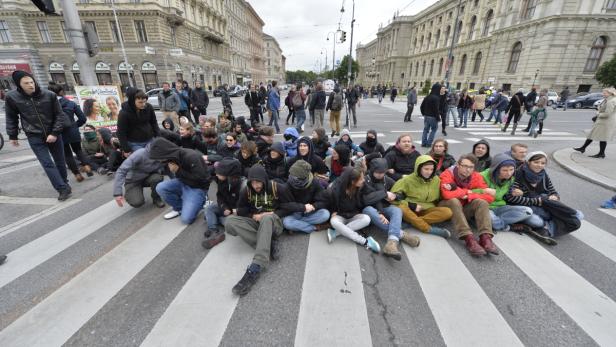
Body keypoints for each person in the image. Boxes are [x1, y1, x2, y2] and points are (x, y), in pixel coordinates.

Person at [5, 70, 72, 200]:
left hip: (54, 132)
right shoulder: (12, 97)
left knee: (60, 161)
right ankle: (62, 188)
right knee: (47, 163)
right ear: (19, 84)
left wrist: (54, 133)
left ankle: (64, 182)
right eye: (26, 83)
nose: (31, 85)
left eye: (31, 81)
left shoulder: (49, 95)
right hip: (34, 134)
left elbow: (59, 115)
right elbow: (11, 117)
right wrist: (12, 135)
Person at [225, 164, 284, 296]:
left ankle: (256, 266)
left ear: (264, 179)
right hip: (256, 222)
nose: (256, 185)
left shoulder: (276, 187)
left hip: (274, 222)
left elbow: (288, 207)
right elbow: (241, 210)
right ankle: (268, 243)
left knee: (267, 219)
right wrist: (252, 216)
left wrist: (268, 214)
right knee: (229, 222)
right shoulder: (247, 190)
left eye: (259, 182)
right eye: (253, 182)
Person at [507, 152, 583, 244]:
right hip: (526, 206)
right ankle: (553, 223)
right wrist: (537, 201)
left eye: (543, 163)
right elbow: (511, 199)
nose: (539, 165)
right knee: (537, 221)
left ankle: (546, 229)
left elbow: (553, 191)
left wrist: (555, 196)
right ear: (528, 162)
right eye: (536, 162)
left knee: (579, 215)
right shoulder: (517, 174)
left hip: (545, 205)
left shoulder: (543, 175)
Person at [438, 154, 498, 256]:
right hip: (446, 207)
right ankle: (468, 238)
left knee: (481, 202)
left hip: (463, 209)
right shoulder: (447, 174)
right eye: (465, 166)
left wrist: (470, 195)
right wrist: (467, 192)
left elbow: (490, 197)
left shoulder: (476, 176)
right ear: (458, 165)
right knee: (454, 200)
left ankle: (485, 237)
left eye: (471, 167)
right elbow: (447, 194)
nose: (468, 170)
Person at [362, 158, 421, 260]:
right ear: (372, 170)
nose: (381, 175)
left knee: (396, 210)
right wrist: (384, 194)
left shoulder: (386, 179)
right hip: (370, 210)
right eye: (378, 172)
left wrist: (394, 195)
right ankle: (402, 235)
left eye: (383, 172)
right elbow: (366, 200)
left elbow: (400, 193)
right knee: (368, 209)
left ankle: (391, 243)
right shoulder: (366, 180)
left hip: (384, 208)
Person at [149, 137, 211, 224]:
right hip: (183, 182)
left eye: (159, 158)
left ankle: (202, 200)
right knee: (160, 187)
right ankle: (179, 208)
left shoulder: (191, 156)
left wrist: (178, 170)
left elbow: (201, 178)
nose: (159, 160)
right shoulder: (170, 158)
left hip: (197, 187)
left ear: (164, 152)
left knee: (186, 219)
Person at [391, 155, 452, 239]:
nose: (429, 172)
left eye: (431, 169)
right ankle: (429, 229)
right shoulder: (407, 180)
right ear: (418, 168)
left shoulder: (436, 180)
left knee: (447, 212)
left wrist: (451, 187)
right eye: (426, 169)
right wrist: (411, 205)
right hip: (410, 209)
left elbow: (441, 196)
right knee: (401, 207)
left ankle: (412, 222)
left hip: (427, 209)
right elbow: (392, 198)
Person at [326, 166, 380, 253]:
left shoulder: (362, 186)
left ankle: (335, 233)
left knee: (367, 219)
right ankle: (365, 241)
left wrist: (379, 211)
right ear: (352, 182)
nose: (364, 180)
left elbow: (373, 194)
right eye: (361, 179)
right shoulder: (335, 189)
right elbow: (328, 203)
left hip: (354, 215)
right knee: (334, 221)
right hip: (340, 215)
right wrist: (332, 211)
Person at [48, 82, 92, 182]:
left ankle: (77, 175)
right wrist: (74, 126)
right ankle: (87, 166)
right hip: (73, 131)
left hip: (59, 133)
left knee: (67, 155)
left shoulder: (49, 106)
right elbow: (82, 118)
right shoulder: (71, 103)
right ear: (61, 92)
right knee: (78, 150)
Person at [480, 154, 534, 232]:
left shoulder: (511, 179)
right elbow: (469, 192)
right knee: (490, 217)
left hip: (499, 207)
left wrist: (515, 193)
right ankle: (507, 227)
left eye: (511, 169)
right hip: (485, 207)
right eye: (505, 170)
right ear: (496, 169)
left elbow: (507, 197)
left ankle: (494, 223)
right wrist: (483, 191)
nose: (509, 173)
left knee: (528, 211)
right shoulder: (482, 176)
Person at [279, 160, 331, 233]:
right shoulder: (289, 183)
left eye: (294, 174)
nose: (291, 176)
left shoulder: (314, 182)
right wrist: (303, 207)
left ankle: (297, 225)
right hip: (295, 212)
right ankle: (314, 227)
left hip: (310, 211)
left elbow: (324, 200)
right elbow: (284, 204)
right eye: (291, 174)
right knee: (286, 222)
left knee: (325, 214)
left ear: (302, 176)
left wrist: (314, 206)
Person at [203, 158, 243, 249]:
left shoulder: (242, 185)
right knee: (209, 208)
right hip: (227, 209)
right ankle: (214, 230)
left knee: (230, 223)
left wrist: (235, 211)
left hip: (236, 214)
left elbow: (245, 206)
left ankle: (214, 220)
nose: (216, 175)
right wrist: (224, 207)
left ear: (229, 174)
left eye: (219, 173)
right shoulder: (221, 181)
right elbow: (219, 196)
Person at [113, 142, 166, 209]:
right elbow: (121, 171)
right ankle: (130, 193)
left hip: (148, 177)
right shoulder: (140, 154)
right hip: (133, 181)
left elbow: (170, 169)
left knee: (157, 178)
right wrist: (117, 193)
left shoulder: (163, 154)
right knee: (137, 202)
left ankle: (156, 198)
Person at [574, 87, 616, 159]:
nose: (603, 94)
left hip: (605, 122)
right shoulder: (608, 100)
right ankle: (583, 148)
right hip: (602, 122)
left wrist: (598, 114)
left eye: (604, 93)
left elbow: (607, 114)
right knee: (592, 134)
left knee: (602, 138)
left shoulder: (611, 101)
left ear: (610, 93)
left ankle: (601, 153)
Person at [117, 88, 160, 153]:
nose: (143, 104)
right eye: (140, 102)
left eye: (145, 102)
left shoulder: (149, 107)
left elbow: (153, 122)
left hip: (150, 139)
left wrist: (158, 136)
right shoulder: (124, 113)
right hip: (134, 143)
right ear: (132, 101)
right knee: (143, 159)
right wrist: (126, 149)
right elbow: (121, 132)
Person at [420, 83, 442, 147]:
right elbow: (436, 109)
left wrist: (423, 113)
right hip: (433, 117)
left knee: (425, 129)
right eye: (440, 89)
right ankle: (429, 143)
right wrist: (438, 117)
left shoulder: (427, 96)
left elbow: (422, 106)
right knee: (434, 129)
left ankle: (423, 143)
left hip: (426, 116)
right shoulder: (436, 98)